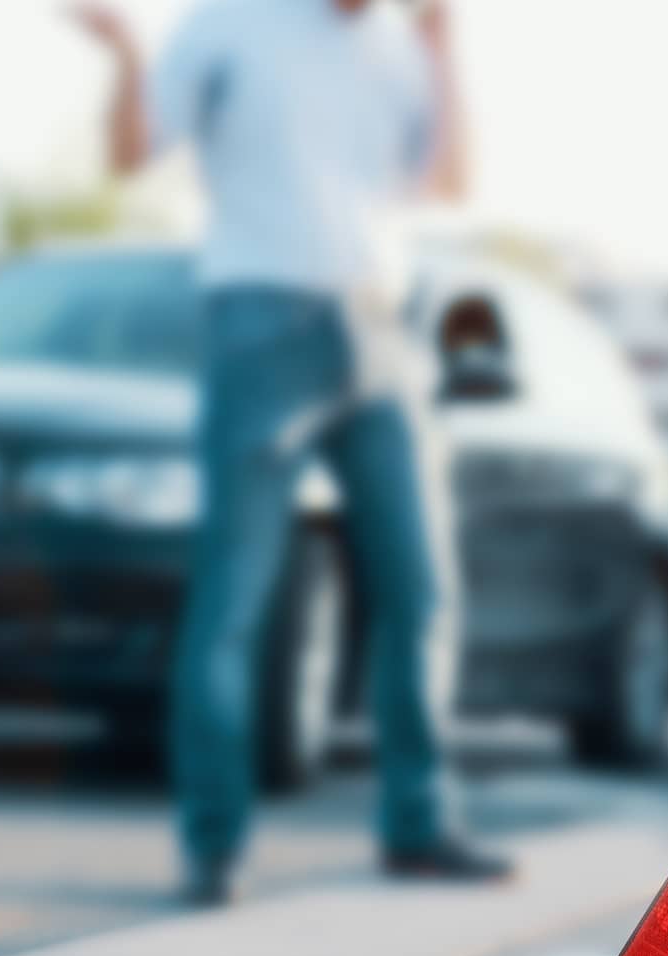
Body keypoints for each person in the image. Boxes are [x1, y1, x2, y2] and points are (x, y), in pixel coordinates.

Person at [68, 0, 508, 905]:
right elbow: (127, 154)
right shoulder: (227, 24)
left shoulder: (398, 43)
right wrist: (124, 58)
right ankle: (215, 842)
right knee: (234, 596)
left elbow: (452, 180)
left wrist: (442, 44)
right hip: (261, 320)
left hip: (381, 327)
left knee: (420, 589)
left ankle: (419, 826)